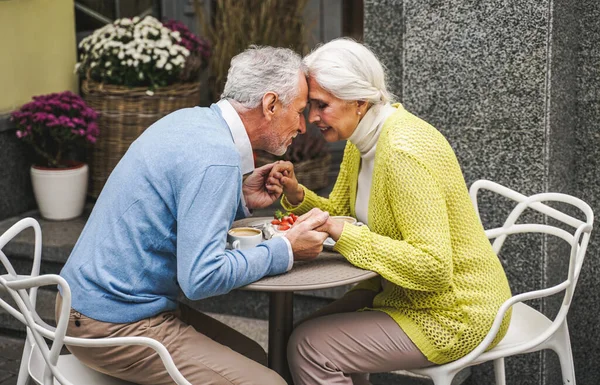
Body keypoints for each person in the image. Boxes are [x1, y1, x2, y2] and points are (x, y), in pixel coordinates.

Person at [57, 46, 330, 385]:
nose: (303, 126)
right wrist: (286, 249)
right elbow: (201, 278)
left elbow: (175, 210)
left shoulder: (192, 121)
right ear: (270, 104)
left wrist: (240, 196)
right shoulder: (216, 157)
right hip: (112, 323)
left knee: (256, 359)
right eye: (301, 111)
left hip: (87, 303)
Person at [269, 38, 512, 385]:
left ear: (359, 100)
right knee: (300, 335)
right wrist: (297, 194)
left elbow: (433, 268)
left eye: (321, 105)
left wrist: (344, 233)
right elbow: (341, 212)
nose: (311, 119)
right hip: (398, 290)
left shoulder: (401, 152)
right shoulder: (364, 138)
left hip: (455, 313)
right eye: (310, 106)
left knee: (310, 348)